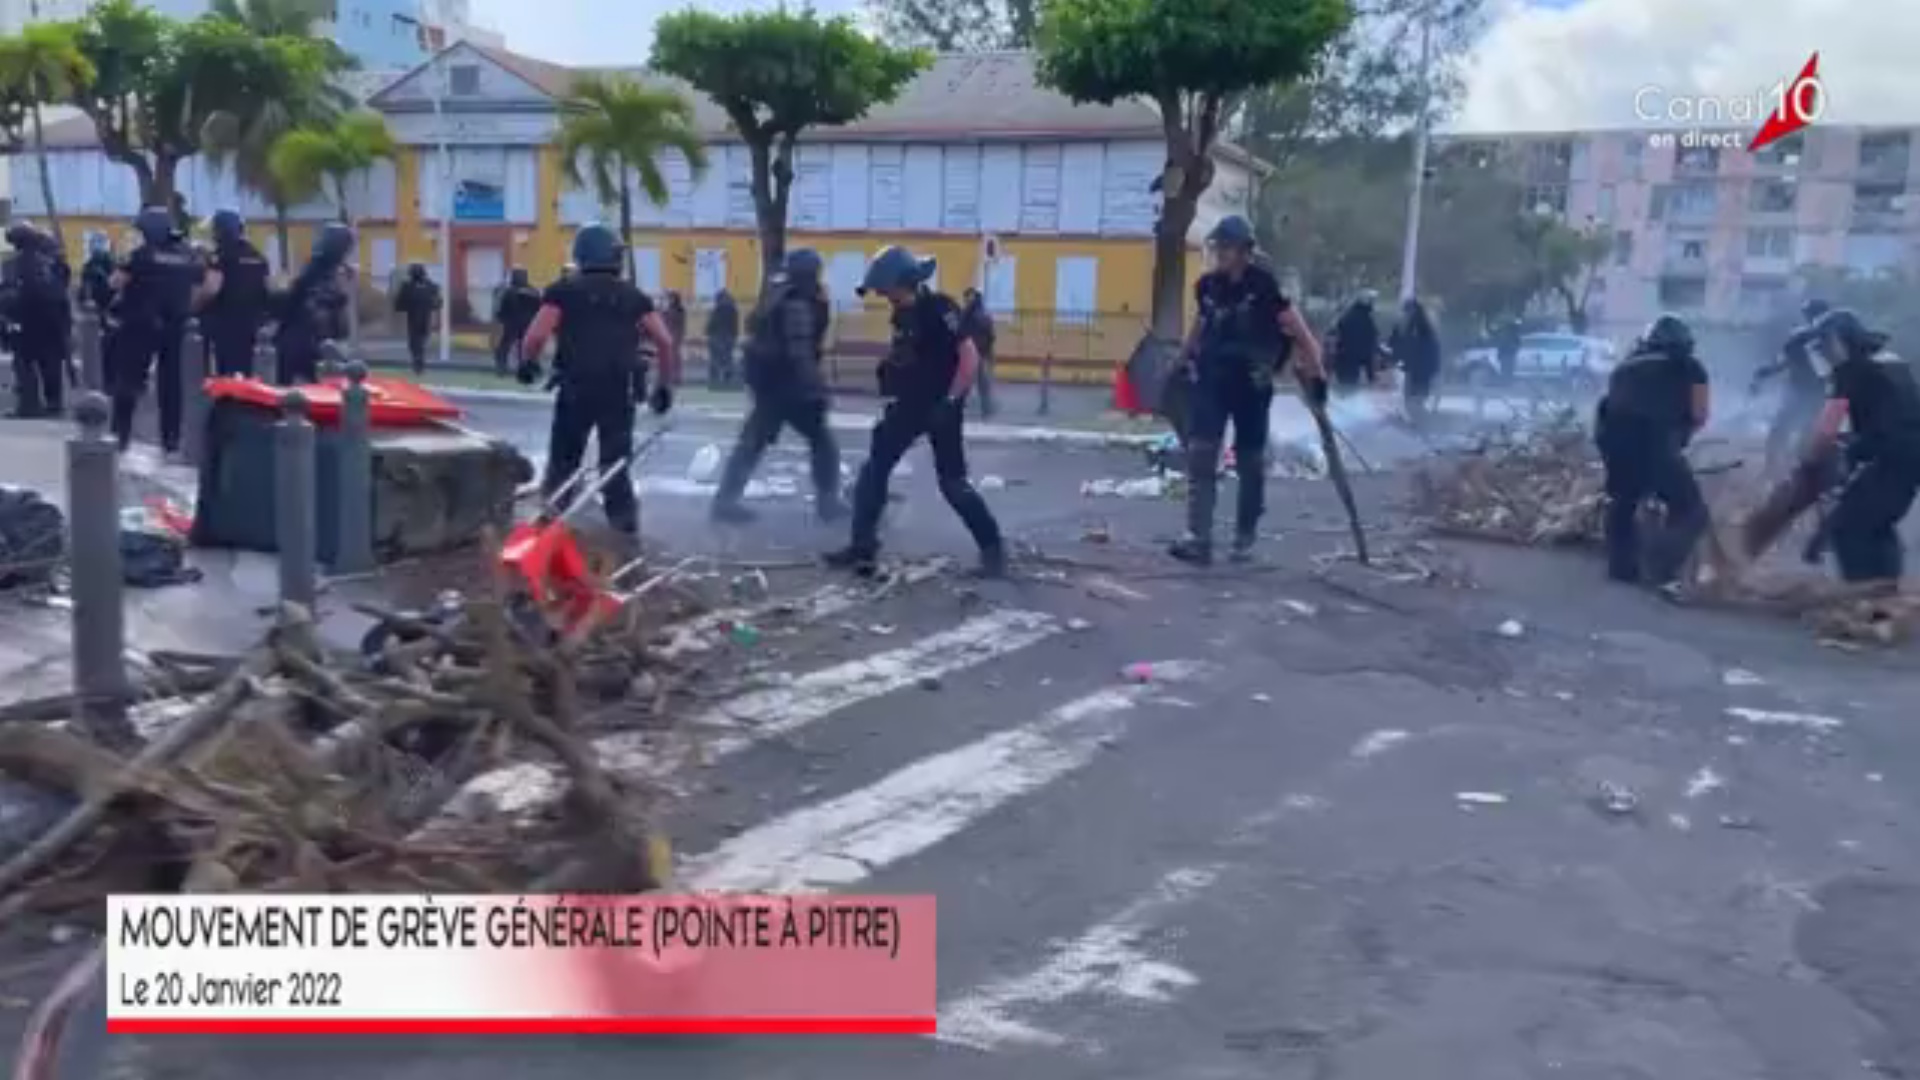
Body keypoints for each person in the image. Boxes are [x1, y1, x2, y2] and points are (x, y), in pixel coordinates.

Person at [824, 245, 1005, 578]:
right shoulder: (901, 315)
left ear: (904, 281)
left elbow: (969, 358)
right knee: (873, 472)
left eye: (885, 288)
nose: (882, 295)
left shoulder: (939, 309)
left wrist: (951, 402)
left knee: (952, 483)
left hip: (942, 407)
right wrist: (891, 375)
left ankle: (994, 551)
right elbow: (907, 356)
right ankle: (862, 548)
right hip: (908, 406)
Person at [1167, 215, 1327, 566]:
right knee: (1201, 455)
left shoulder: (1266, 287)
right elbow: (1201, 323)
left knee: (1249, 462)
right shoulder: (1207, 286)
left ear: (1243, 250)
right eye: (1217, 246)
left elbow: (1299, 333)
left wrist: (1317, 373)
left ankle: (1245, 537)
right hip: (1212, 381)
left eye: (1226, 247)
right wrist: (1181, 359)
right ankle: (1199, 538)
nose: (1220, 253)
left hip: (1252, 387)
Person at [518, 223, 678, 538]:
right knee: (615, 466)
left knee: (564, 461)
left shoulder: (562, 292)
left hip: (576, 389)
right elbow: (665, 341)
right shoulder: (633, 296)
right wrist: (664, 384)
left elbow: (536, 335)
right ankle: (625, 528)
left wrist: (528, 362)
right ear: (612, 257)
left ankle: (549, 528)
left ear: (581, 255)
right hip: (619, 391)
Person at [709, 249, 845, 526]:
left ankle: (725, 500)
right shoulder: (798, 303)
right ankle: (828, 502)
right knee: (822, 443)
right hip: (788, 385)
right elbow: (799, 350)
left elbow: (756, 328)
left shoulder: (777, 295)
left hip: (772, 383)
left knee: (752, 443)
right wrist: (816, 388)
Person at [1800, 308, 1920, 583]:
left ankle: (1862, 596)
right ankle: (1884, 594)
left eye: (1827, 344)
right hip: (1910, 455)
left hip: (1893, 455)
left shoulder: (1851, 370)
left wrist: (1811, 461)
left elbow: (1827, 429)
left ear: (1841, 341)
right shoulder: (1891, 362)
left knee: (1848, 528)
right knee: (1877, 524)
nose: (1825, 353)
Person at [1593, 313, 1711, 590]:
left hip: (1615, 445)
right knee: (1692, 510)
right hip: (1658, 446)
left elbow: (1606, 411)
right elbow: (1700, 414)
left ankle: (1621, 568)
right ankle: (1661, 566)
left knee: (1622, 500)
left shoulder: (1624, 367)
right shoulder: (1692, 368)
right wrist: (1681, 439)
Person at [108, 207, 205, 453]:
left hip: (140, 324)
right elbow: (198, 287)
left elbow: (115, 282)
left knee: (129, 380)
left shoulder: (140, 255)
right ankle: (170, 439)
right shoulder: (187, 255)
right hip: (175, 325)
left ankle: (120, 435)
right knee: (171, 384)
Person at [1, 222, 72, 418]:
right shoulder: (51, 262)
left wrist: (7, 319)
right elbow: (63, 288)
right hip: (53, 321)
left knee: (24, 363)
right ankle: (54, 403)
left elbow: (7, 294)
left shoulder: (12, 264)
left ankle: (29, 405)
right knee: (51, 363)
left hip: (25, 320)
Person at [1753, 298, 1831, 475]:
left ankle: (1775, 469)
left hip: (1801, 391)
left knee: (1782, 430)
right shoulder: (1832, 337)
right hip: (1818, 393)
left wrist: (1762, 374)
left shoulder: (1801, 336)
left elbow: (1782, 362)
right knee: (1805, 432)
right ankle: (1797, 470)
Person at [273, 222, 354, 386]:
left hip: (302, 335)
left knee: (289, 384)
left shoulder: (316, 268)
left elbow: (294, 295)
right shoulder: (336, 272)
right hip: (321, 337)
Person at [193, 209, 270, 377]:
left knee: (224, 374)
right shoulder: (258, 256)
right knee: (245, 370)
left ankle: (227, 402)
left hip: (224, 324)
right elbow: (267, 288)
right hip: (250, 323)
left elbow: (212, 288)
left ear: (220, 231)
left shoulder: (222, 255)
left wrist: (194, 305)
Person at [1390, 296, 1442, 425]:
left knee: (1415, 397)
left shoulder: (1415, 328)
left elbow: (1409, 347)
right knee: (1416, 396)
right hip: (1420, 368)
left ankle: (1420, 422)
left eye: (1407, 311)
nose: (1405, 314)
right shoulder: (1422, 326)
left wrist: (1400, 359)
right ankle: (1419, 421)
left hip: (1418, 368)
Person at [392, 263, 441, 375]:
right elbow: (438, 303)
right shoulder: (432, 286)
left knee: (416, 344)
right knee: (419, 344)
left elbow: (399, 305)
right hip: (424, 319)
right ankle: (419, 365)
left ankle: (418, 365)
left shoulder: (408, 286)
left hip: (416, 320)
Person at [492, 268, 541, 377]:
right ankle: (528, 369)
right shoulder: (533, 291)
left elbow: (503, 308)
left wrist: (501, 319)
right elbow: (539, 308)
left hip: (512, 324)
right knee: (525, 348)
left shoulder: (509, 291)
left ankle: (501, 369)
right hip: (528, 323)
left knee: (504, 347)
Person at [1329, 290, 1380, 394]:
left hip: (1342, 361)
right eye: (1372, 301)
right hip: (1354, 364)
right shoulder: (1366, 320)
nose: (1373, 304)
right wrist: (1370, 373)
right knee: (1351, 395)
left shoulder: (1347, 316)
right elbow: (1368, 346)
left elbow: (1335, 335)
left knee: (1343, 394)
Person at [705, 288, 739, 388]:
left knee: (715, 359)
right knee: (727, 358)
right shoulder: (733, 309)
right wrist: (734, 336)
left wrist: (707, 331)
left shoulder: (718, 308)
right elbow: (735, 324)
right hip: (729, 336)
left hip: (717, 336)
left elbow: (713, 322)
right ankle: (728, 379)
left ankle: (714, 380)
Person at [79, 235, 116, 316]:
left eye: (99, 243)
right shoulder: (90, 264)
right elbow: (85, 281)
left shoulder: (107, 261)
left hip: (104, 297)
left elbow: (113, 279)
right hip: (99, 298)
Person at [663, 291, 688, 383]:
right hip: (669, 335)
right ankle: (671, 376)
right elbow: (664, 321)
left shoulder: (679, 310)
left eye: (671, 298)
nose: (669, 300)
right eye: (669, 298)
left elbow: (681, 324)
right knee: (670, 357)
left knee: (675, 357)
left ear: (676, 299)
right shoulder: (669, 309)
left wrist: (679, 336)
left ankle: (676, 377)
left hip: (675, 335)